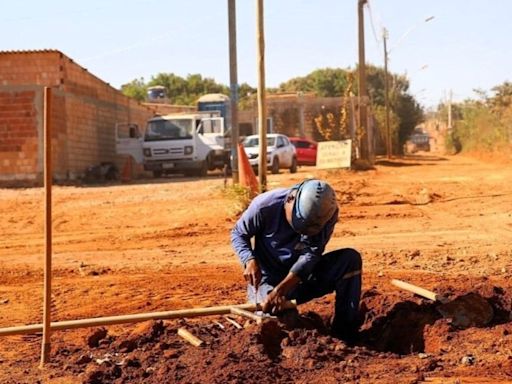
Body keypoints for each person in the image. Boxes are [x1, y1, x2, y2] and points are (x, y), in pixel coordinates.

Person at [231, 179, 362, 341]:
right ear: (290, 200)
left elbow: (311, 255)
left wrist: (282, 290)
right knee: (277, 322)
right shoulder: (264, 206)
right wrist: (249, 259)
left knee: (349, 261)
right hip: (268, 281)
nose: (304, 233)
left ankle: (345, 333)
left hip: (302, 277)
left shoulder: (327, 213)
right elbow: (238, 234)